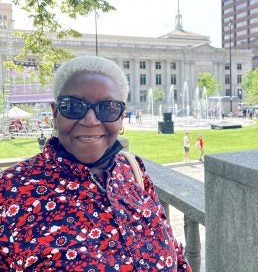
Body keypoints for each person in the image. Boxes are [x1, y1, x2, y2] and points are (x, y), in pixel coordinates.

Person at [0, 56, 191, 271]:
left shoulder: (132, 168)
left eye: (107, 108)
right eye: (73, 106)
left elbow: (174, 251)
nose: (90, 120)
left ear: (121, 116)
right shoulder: (10, 190)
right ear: (55, 112)